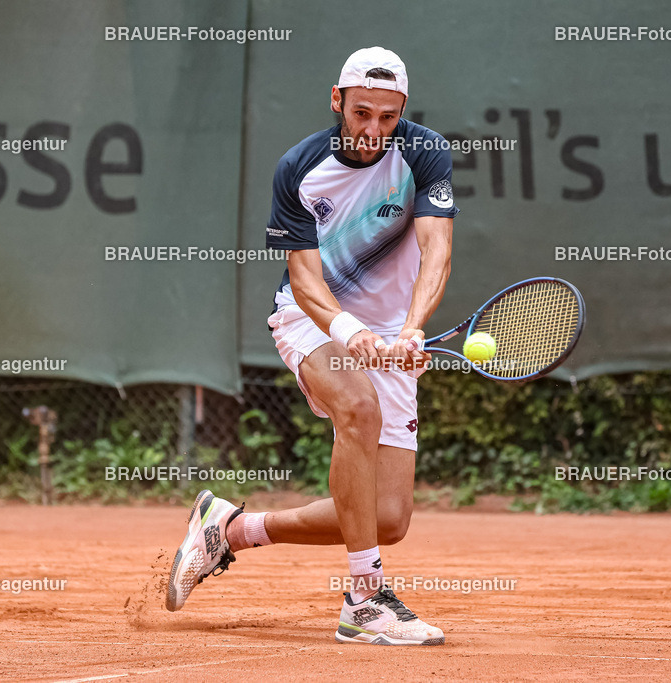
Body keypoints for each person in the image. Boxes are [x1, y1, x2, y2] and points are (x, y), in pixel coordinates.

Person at [165, 46, 457, 646]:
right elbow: (305, 278)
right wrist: (352, 333)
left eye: (388, 116)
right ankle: (364, 602)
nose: (374, 129)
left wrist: (411, 329)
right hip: (312, 319)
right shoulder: (298, 168)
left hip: (390, 333)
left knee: (387, 519)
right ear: (337, 102)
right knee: (357, 408)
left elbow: (437, 252)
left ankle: (231, 530)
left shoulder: (425, 153)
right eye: (361, 114)